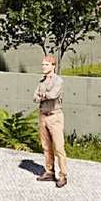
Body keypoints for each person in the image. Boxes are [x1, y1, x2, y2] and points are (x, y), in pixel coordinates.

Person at [33, 54, 67, 187]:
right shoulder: (41, 82)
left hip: (55, 116)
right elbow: (34, 97)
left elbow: (53, 95)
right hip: (43, 116)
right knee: (46, 146)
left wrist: (42, 95)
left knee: (59, 147)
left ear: (53, 66)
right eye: (43, 64)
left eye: (46, 64)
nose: (43, 67)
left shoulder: (58, 81)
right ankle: (49, 172)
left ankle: (63, 175)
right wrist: (43, 96)